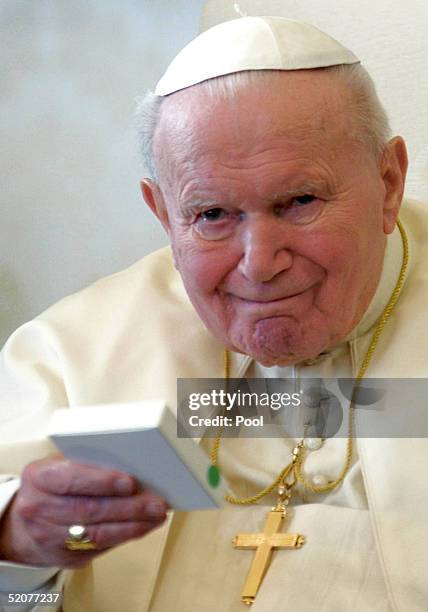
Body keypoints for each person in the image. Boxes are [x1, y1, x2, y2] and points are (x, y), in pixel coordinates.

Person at [0, 15, 427, 612]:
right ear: (163, 213)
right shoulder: (72, 351)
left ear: (388, 182)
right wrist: (16, 542)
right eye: (212, 215)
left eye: (299, 201)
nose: (259, 264)